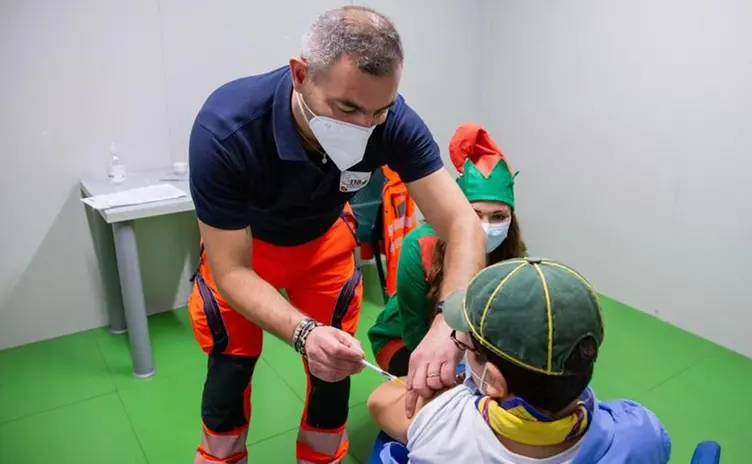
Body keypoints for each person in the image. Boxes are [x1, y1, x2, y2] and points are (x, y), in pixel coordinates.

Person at [187, 6, 484, 463]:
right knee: (231, 365)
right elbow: (229, 268)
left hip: (322, 247)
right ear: (301, 75)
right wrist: (302, 331)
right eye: (346, 108)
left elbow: (462, 223)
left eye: (378, 111)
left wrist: (447, 325)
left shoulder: (393, 123)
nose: (363, 127)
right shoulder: (227, 129)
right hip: (245, 254)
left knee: (333, 367)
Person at [367, 257, 672, 463]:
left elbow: (380, 401)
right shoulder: (643, 433)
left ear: (495, 382)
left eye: (465, 345)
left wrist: (443, 394)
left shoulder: (444, 424)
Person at [368, 123, 526, 377]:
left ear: (511, 219)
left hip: (466, 338)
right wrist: (457, 365)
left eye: (498, 217)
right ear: (458, 214)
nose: (485, 227)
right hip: (404, 339)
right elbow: (414, 331)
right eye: (475, 215)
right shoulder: (419, 247)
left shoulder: (510, 255)